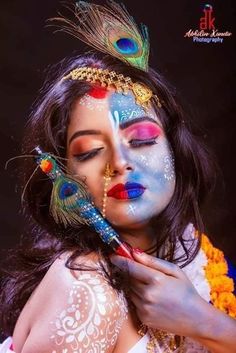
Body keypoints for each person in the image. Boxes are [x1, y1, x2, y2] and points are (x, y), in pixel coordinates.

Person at [0, 1, 235, 352]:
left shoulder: (190, 250)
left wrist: (204, 321)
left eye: (140, 140)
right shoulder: (87, 290)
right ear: (65, 178)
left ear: (174, 147)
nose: (120, 163)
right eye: (90, 151)